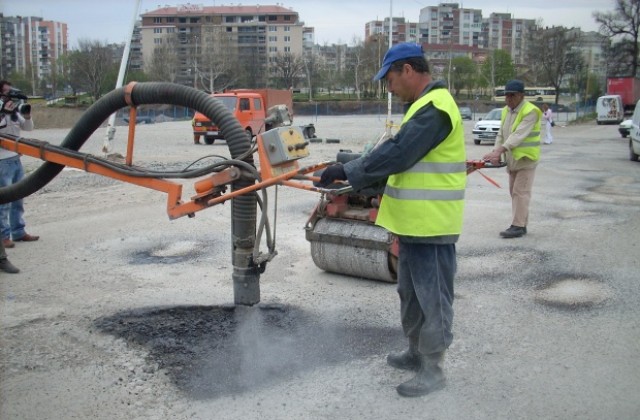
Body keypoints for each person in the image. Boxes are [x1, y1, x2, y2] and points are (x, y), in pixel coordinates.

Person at [319, 43, 466, 397]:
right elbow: (400, 159)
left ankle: (434, 368)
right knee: (411, 294)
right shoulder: (421, 108)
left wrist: (349, 169)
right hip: (413, 225)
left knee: (433, 297)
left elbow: (399, 153)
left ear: (408, 70)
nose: (389, 87)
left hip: (432, 225)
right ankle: (416, 353)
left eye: (390, 78)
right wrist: (353, 174)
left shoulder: (436, 109)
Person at [483, 79, 542, 239]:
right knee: (514, 192)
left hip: (526, 159)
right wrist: (496, 153)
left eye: (512, 95)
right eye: (506, 95)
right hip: (512, 160)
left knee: (520, 192)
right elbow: (501, 134)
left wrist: (500, 151)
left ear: (521, 95)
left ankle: (517, 226)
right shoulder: (505, 111)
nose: (509, 99)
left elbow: (518, 135)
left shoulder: (531, 111)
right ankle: (521, 224)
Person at [0, 80, 39, 248]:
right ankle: (3, 236)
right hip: (2, 161)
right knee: (4, 200)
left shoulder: (14, 110)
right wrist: (3, 113)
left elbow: (28, 127)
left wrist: (27, 115)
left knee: (18, 198)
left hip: (16, 158)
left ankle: (18, 231)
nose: (10, 95)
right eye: (7, 92)